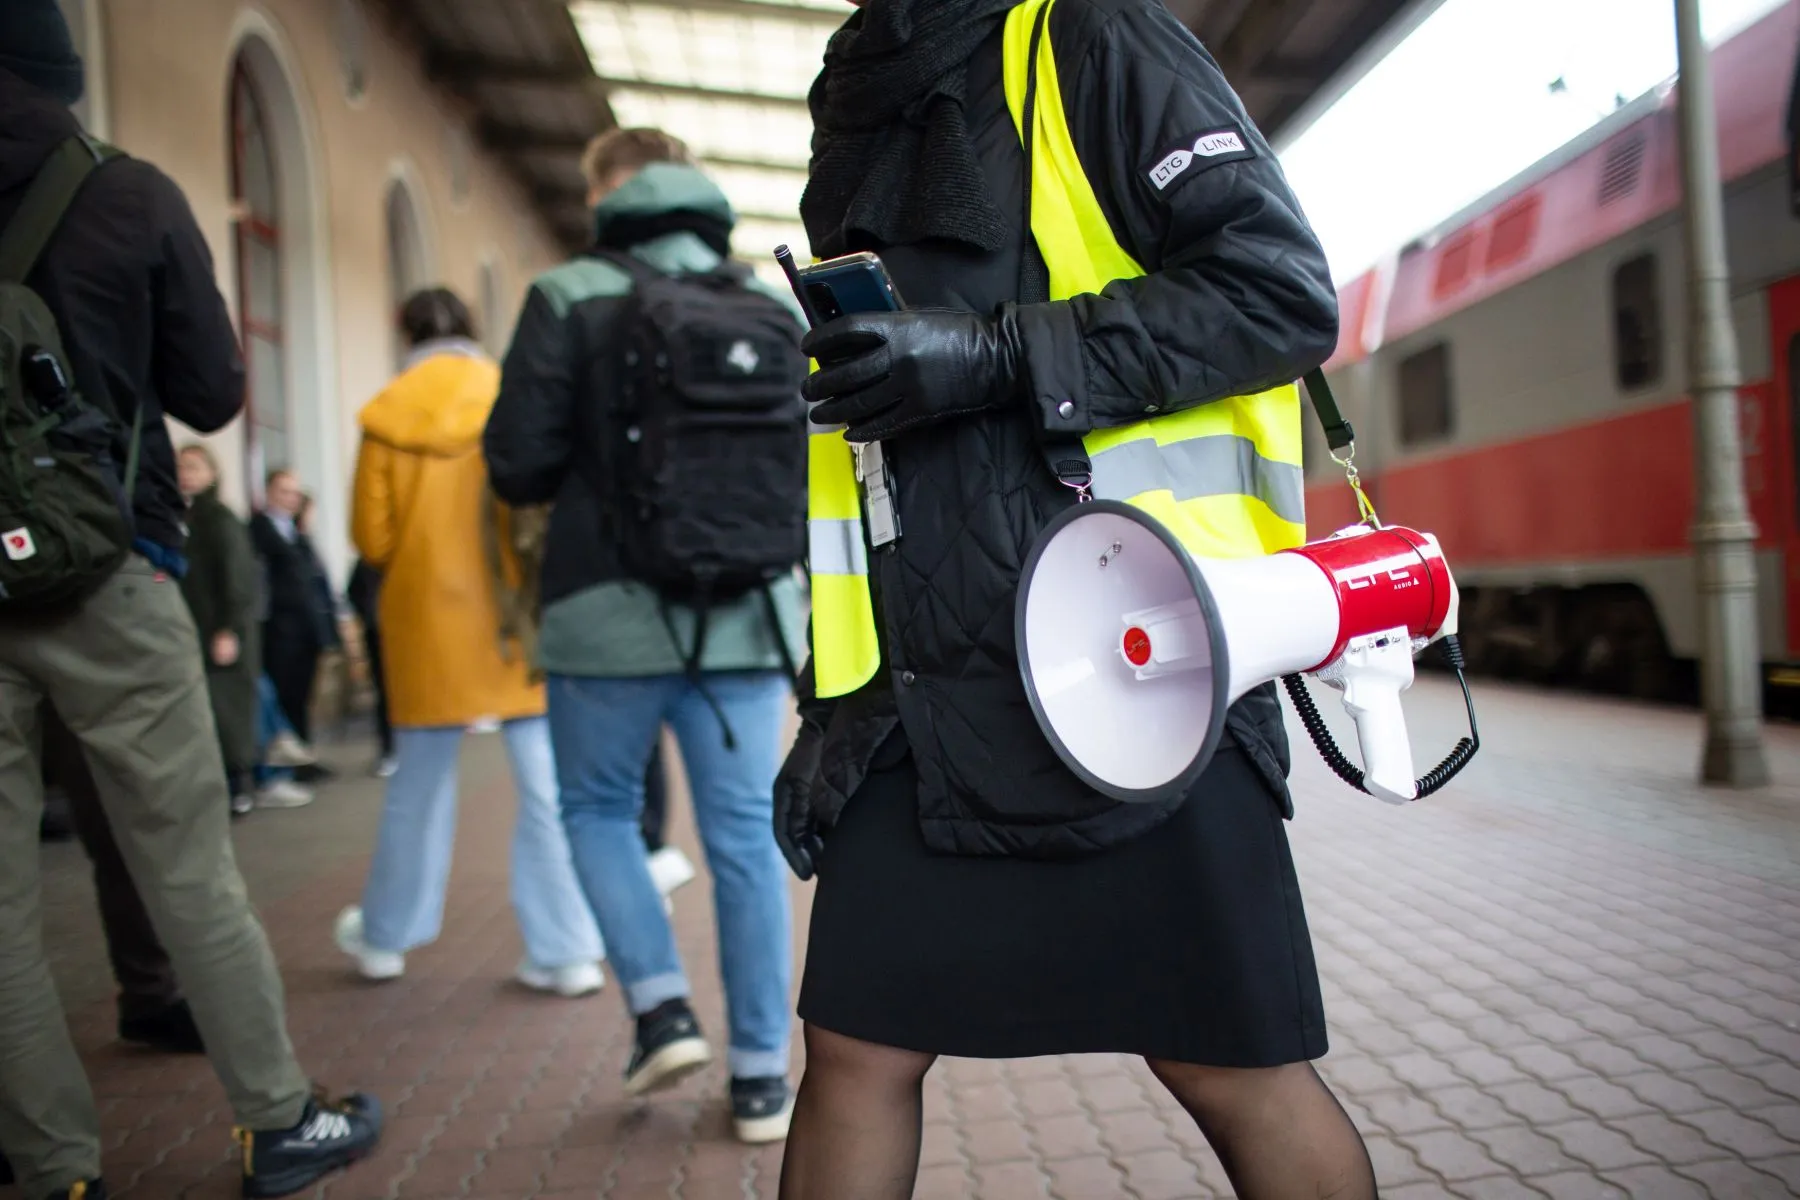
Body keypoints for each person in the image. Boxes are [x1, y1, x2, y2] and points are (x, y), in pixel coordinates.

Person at [770, 0, 1373, 1196]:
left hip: (1139, 653)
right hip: (925, 692)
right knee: (854, 1047)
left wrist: (992, 355)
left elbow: (1280, 296)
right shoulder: (856, 81)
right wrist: (834, 701)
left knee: (1226, 1062)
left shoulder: (1094, 34)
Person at [0, 7, 381, 1198]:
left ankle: (52, 1165)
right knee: (187, 861)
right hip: (107, 570)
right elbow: (212, 394)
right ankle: (277, 1120)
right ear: (63, 74)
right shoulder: (131, 196)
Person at [484, 127, 807, 1144]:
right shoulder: (769, 303)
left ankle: (661, 1007)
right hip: (748, 621)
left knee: (594, 809)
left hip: (603, 617)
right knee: (747, 845)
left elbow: (518, 465)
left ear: (604, 196)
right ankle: (762, 1079)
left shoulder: (566, 295)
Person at [333, 287, 605, 996]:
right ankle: (566, 949)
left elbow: (372, 537)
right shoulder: (506, 393)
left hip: (424, 623)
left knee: (416, 786)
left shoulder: (386, 414)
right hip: (514, 618)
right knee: (545, 787)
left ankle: (386, 939)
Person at [176, 443, 308, 813]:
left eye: (194, 466)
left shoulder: (218, 520)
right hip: (195, 631)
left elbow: (237, 579)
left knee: (231, 711)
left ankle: (244, 784)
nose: (185, 473)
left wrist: (228, 629)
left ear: (212, 473)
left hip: (223, 632)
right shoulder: (180, 518)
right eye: (180, 466)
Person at [249, 470, 334, 749]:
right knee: (282, 696)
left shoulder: (298, 534)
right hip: (279, 630)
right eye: (283, 491)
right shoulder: (258, 531)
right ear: (269, 492)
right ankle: (284, 762)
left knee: (301, 696)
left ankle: (303, 754)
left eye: (294, 493)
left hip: (305, 629)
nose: (290, 498)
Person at [345, 559, 396, 777]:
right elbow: (354, 591)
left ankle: (396, 750)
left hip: (403, 638)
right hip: (380, 636)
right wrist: (369, 616)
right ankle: (389, 750)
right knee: (386, 696)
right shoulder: (369, 560)